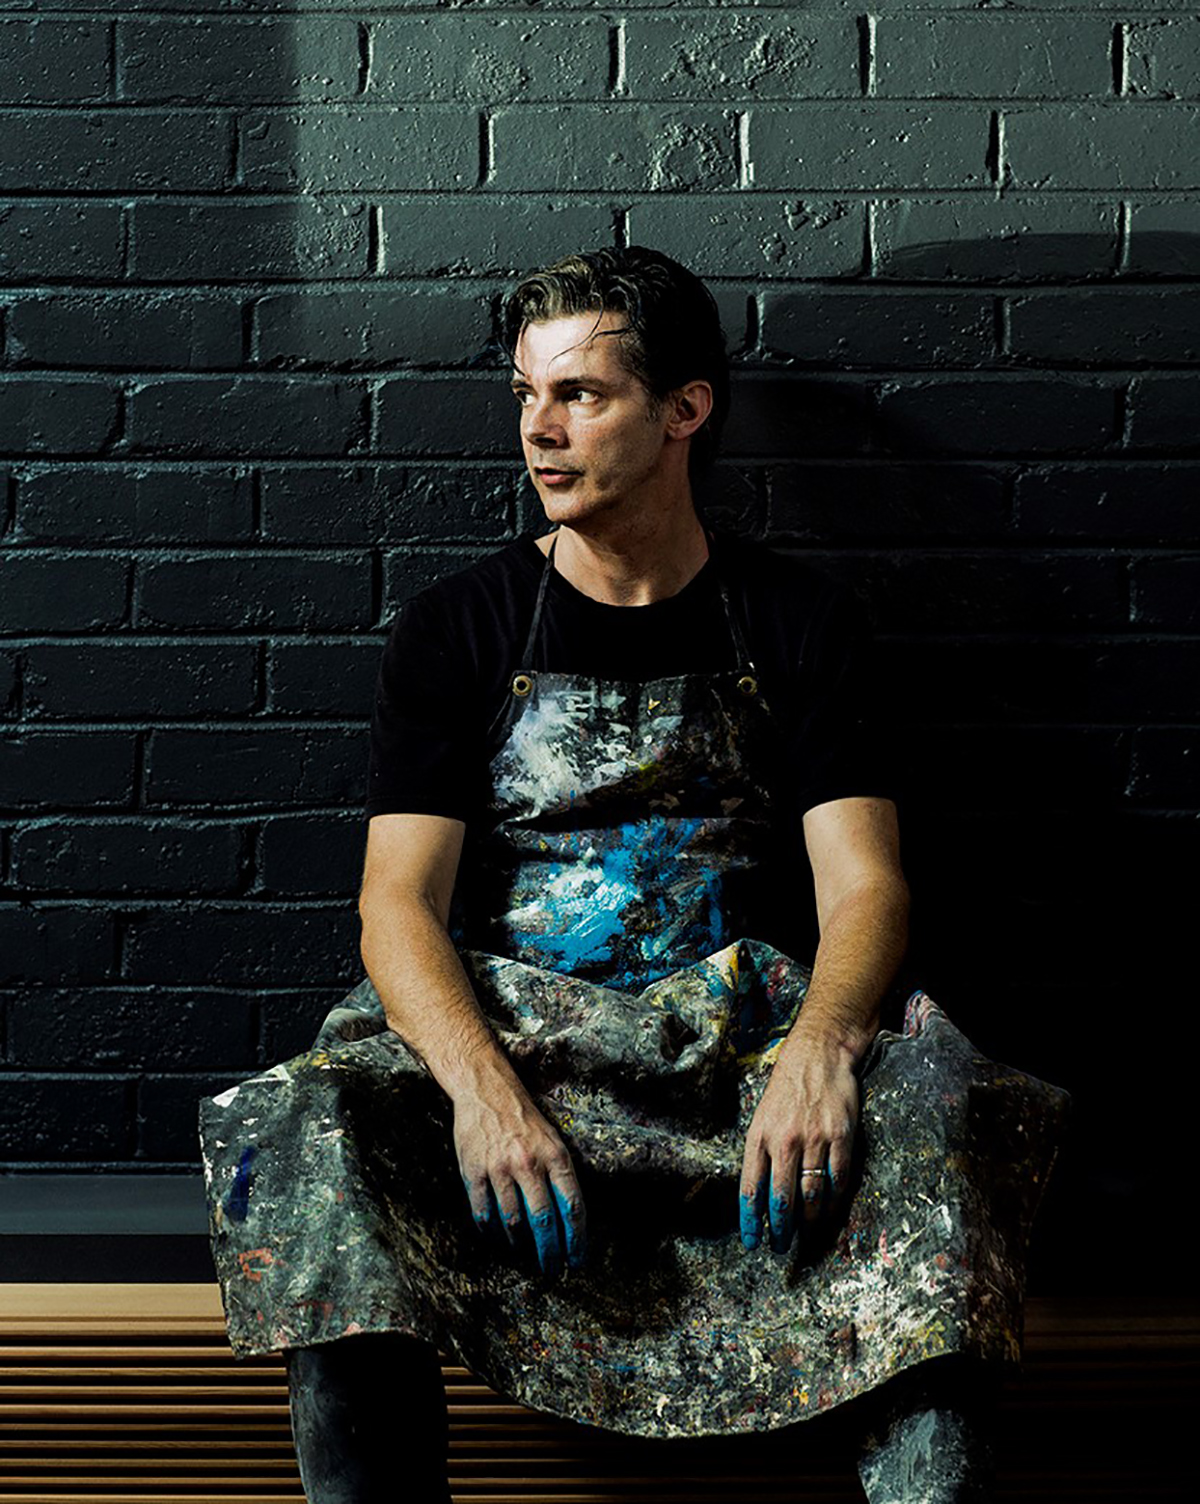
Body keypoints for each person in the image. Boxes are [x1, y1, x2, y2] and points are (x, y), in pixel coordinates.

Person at [200, 247, 1068, 1503]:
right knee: (312, 1119)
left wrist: (824, 1051)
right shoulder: (461, 628)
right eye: (524, 395)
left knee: (945, 1096)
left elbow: (866, 883)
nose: (536, 432)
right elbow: (395, 904)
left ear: (684, 411)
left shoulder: (798, 625)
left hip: (735, 1052)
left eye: (580, 396)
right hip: (527, 1042)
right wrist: (483, 1095)